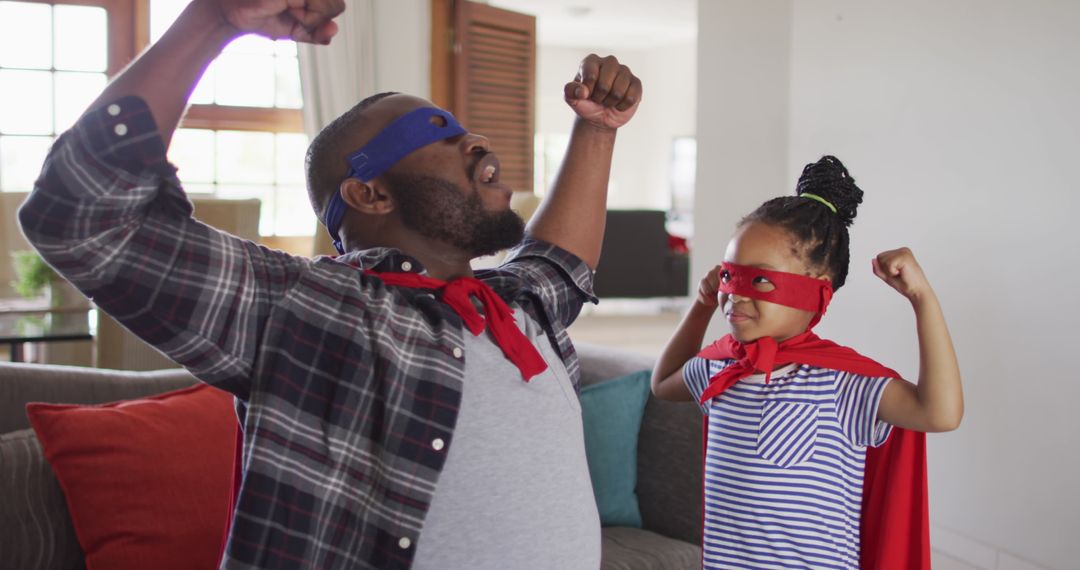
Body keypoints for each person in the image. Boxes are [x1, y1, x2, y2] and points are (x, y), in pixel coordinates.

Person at [17, 0, 642, 568]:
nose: (475, 138)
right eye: (435, 134)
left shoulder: (513, 306)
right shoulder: (309, 306)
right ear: (369, 193)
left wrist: (597, 129)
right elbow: (83, 216)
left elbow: (560, 261)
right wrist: (212, 21)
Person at [651, 156, 964, 569]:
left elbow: (940, 413)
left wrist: (922, 299)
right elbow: (664, 383)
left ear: (816, 293)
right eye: (729, 275)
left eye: (760, 280)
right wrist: (702, 304)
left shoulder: (844, 385)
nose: (735, 294)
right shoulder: (722, 370)